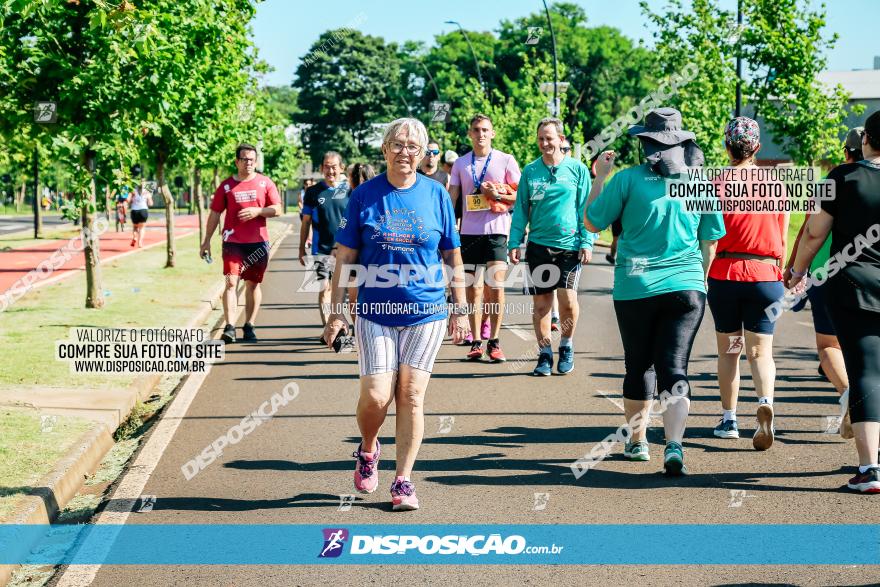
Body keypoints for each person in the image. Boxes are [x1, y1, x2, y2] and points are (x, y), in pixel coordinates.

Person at [323, 117, 470, 511]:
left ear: (422, 154)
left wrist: (460, 308)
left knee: (411, 394)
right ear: (385, 149)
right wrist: (337, 311)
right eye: (398, 144)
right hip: (375, 310)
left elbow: (452, 255)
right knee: (376, 396)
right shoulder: (364, 196)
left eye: (413, 146)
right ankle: (369, 448)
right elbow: (347, 257)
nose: (406, 152)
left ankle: (403, 481)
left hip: (426, 311)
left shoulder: (437, 194)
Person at [584, 108, 725, 473]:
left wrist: (599, 177)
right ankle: (674, 446)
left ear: (645, 142)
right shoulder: (699, 183)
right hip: (688, 288)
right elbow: (710, 239)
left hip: (636, 287)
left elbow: (592, 221)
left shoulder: (626, 180)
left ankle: (638, 441)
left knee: (639, 365)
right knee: (675, 367)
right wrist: (700, 279)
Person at [789, 111, 880, 493]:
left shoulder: (839, 179)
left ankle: (870, 469)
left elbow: (813, 233)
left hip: (854, 285)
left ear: (866, 141)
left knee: (865, 371)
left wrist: (797, 272)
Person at [706, 117, 788, 450]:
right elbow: (781, 238)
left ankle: (729, 419)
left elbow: (708, 237)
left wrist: (702, 273)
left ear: (728, 146)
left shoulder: (715, 184)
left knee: (730, 351)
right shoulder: (776, 184)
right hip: (766, 275)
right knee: (761, 352)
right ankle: (765, 400)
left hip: (725, 273)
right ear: (757, 147)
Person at [784, 127, 863, 440]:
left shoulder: (829, 182)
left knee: (830, 345)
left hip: (826, 273)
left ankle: (847, 396)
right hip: (872, 274)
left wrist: (794, 268)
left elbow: (809, 230)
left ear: (846, 152)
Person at [509, 118, 595, 376]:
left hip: (569, 246)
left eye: (549, 138)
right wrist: (515, 241)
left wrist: (587, 240)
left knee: (568, 299)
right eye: (541, 139)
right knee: (542, 304)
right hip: (538, 246)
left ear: (560, 139)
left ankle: (566, 345)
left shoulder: (577, 170)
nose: (545, 143)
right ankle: (545, 353)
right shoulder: (531, 171)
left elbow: (585, 209)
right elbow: (521, 209)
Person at [449, 114, 521, 362]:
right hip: (469, 233)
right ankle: (477, 341)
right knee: (474, 289)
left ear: (492, 133)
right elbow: (452, 199)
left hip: (497, 231)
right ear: (469, 133)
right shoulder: (460, 164)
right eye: (476, 130)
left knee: (496, 286)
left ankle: (495, 342)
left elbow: (520, 197)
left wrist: (498, 196)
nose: (481, 134)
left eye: (485, 130)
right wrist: (447, 232)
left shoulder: (505, 160)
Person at [200, 143, 281, 343]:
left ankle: (249, 324)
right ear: (237, 162)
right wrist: (206, 241)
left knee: (252, 285)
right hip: (232, 242)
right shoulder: (226, 186)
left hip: (258, 243)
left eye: (252, 160)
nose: (248, 163)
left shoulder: (265, 183)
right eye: (244, 159)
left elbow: (277, 209)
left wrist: (258, 211)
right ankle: (229, 327)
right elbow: (215, 214)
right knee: (231, 282)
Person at [299, 152, 350, 338]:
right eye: (327, 167)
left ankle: (345, 325)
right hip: (321, 249)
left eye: (334, 166)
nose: (330, 170)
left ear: (341, 168)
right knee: (325, 288)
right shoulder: (312, 192)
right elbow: (305, 222)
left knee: (346, 290)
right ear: (321, 169)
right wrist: (301, 248)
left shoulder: (349, 190)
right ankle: (329, 329)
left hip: (346, 250)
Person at [129, 183, 153, 248]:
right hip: (143, 210)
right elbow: (151, 203)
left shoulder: (133, 191)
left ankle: (134, 237)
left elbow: (128, 200)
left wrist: (132, 201)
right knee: (142, 228)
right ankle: (140, 243)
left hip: (134, 210)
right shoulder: (147, 192)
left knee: (135, 227)